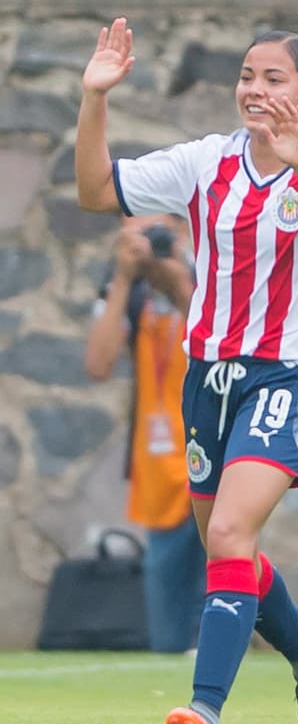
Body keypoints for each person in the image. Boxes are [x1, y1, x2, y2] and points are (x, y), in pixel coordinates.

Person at [75, 18, 298, 724]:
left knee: (228, 539)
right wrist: (94, 99)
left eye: (274, 78)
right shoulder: (205, 162)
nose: (255, 88)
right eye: (248, 75)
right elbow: (94, 192)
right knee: (233, 548)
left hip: (287, 373)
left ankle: (203, 711)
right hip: (207, 378)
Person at [84, 215, 206, 654]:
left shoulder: (207, 267)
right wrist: (122, 276)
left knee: (222, 567)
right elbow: (97, 364)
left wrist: (177, 283)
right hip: (158, 459)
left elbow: (218, 339)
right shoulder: (130, 288)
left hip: (215, 443)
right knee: (167, 602)